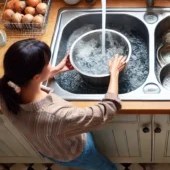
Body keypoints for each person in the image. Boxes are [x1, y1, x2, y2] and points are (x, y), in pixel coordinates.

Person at [0, 38, 127, 170]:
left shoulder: (5, 90)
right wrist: (114, 73)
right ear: (36, 77)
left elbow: (26, 84)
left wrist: (53, 71)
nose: (50, 65)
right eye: (48, 63)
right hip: (75, 153)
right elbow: (105, 112)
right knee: (105, 167)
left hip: (47, 148)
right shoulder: (55, 116)